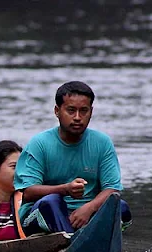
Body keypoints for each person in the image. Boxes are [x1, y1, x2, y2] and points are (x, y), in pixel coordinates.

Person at [15, 80, 131, 235]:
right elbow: (28, 192)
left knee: (120, 207)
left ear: (91, 111)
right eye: (71, 110)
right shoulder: (39, 143)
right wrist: (65, 189)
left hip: (85, 215)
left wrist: (89, 208)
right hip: (42, 215)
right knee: (51, 202)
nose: (77, 117)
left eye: (84, 111)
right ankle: (71, 244)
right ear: (57, 111)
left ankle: (84, 243)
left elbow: (112, 190)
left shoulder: (102, 143)